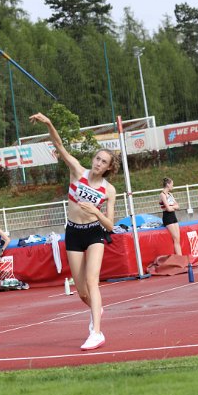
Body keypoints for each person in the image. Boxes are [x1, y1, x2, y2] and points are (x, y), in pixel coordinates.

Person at [29, 112, 119, 351]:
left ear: (109, 168)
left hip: (94, 233)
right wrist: (49, 123)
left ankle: (97, 332)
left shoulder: (109, 190)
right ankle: (95, 309)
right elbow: (59, 144)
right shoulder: (77, 171)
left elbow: (110, 225)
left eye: (103, 162)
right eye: (97, 159)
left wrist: (96, 212)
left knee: (92, 282)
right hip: (73, 232)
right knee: (81, 292)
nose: (98, 163)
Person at [159, 178, 182, 255]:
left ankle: (180, 258)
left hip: (173, 216)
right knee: (175, 238)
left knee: (178, 239)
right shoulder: (162, 194)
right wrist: (173, 207)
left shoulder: (170, 194)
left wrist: (172, 207)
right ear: (168, 184)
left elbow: (178, 206)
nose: (173, 186)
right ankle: (180, 259)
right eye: (172, 184)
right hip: (167, 217)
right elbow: (168, 209)